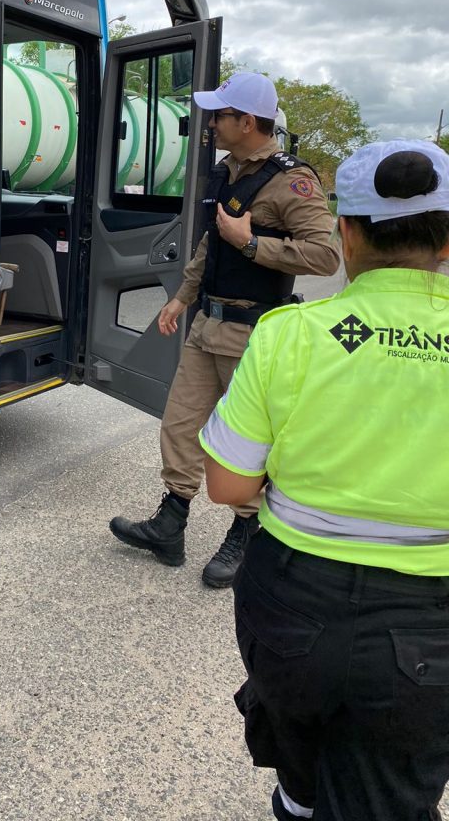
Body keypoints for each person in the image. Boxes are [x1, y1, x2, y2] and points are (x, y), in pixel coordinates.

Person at [200, 139, 449, 820]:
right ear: (447, 241)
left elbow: (227, 486)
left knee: (301, 786)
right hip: (430, 621)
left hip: (292, 606)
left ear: (347, 233)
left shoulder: (289, 333)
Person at [109, 72, 340, 587]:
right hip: (207, 323)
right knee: (179, 425)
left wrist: (252, 244)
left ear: (248, 122)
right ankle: (170, 524)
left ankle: (245, 534)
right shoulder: (226, 171)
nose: (211, 123)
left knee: (247, 440)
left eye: (221, 115)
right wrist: (182, 296)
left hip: (253, 332)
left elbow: (324, 256)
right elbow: (210, 244)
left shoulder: (291, 181)